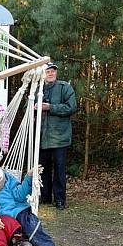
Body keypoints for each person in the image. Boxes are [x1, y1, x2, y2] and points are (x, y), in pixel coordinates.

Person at [35, 62, 77, 210]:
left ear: (56, 73)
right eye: (48, 71)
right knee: (42, 169)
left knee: (59, 170)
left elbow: (71, 107)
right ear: (43, 74)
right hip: (42, 137)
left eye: (53, 71)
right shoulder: (37, 89)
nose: (50, 73)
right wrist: (34, 108)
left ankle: (60, 200)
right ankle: (45, 197)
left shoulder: (65, 87)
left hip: (60, 137)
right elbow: (26, 107)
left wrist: (50, 107)